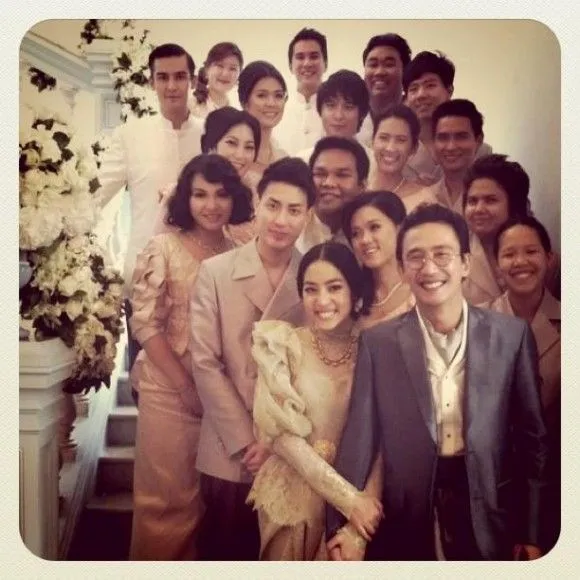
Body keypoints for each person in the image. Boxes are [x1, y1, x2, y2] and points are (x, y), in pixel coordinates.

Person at [326, 203, 548, 561]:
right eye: (415, 257)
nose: (429, 268)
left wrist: (532, 532)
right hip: (407, 512)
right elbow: (361, 436)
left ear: (465, 264)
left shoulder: (511, 336)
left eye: (442, 254)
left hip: (491, 507)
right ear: (402, 268)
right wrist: (341, 524)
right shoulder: (378, 343)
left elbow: (531, 440)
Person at [189, 156, 316, 560]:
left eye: (294, 210)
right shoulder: (215, 272)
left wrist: (275, 441)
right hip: (229, 448)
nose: (281, 220)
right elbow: (205, 363)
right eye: (273, 205)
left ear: (308, 216)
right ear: (258, 204)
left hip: (289, 449)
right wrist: (247, 441)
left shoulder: (315, 277)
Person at [128, 154, 253, 560]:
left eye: (221, 194)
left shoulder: (240, 252)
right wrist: (185, 387)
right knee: (165, 505)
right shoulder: (163, 247)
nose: (211, 205)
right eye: (200, 194)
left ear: (235, 199)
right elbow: (145, 323)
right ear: (185, 198)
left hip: (221, 397)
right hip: (168, 390)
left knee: (211, 508)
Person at [247, 242, 382, 560]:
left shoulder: (375, 347)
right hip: (292, 503)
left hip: (356, 504)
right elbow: (280, 437)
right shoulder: (281, 345)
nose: (322, 301)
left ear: (354, 291)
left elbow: (384, 438)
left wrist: (362, 510)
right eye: (311, 289)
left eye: (334, 288)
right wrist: (348, 499)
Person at [96, 43, 203, 380]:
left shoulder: (210, 134)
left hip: (202, 279)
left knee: (202, 378)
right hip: (146, 279)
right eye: (163, 77)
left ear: (192, 80)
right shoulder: (130, 135)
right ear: (151, 81)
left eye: (180, 77)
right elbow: (96, 194)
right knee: (146, 382)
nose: (172, 86)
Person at [482, 215, 560, 553]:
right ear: (497, 264)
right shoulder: (476, 324)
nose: (520, 262)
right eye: (509, 254)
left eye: (531, 251)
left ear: (549, 258)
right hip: (493, 484)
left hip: (557, 480)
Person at [154, 107, 262, 245]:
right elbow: (159, 247)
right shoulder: (182, 192)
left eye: (249, 147)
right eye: (231, 143)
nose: (240, 155)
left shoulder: (258, 196)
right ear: (211, 144)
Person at [462, 153, 561, 303]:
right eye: (472, 201)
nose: (479, 209)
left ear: (514, 205)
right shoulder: (454, 252)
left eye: (491, 200)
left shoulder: (544, 259)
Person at [403, 51, 492, 185]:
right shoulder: (399, 150)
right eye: (413, 89)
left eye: (430, 85)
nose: (421, 95)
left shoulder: (480, 152)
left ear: (449, 90)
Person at [342, 191, 416, 328]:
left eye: (374, 227)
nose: (365, 240)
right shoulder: (353, 299)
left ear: (399, 228)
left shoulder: (419, 287)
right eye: (356, 234)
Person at [296, 136, 369, 253]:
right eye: (320, 174)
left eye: (342, 175)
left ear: (362, 185)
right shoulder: (292, 230)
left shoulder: (370, 238)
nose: (328, 183)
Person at [367, 105, 438, 212]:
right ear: (373, 140)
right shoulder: (355, 192)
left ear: (413, 148)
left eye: (401, 140)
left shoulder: (424, 201)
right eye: (384, 138)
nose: (390, 148)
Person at [422, 98, 485, 214]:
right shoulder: (424, 198)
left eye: (461, 137)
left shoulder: (496, 195)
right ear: (433, 142)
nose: (451, 147)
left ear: (478, 141)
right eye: (443, 138)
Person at [296, 69, 370, 162]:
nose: (338, 116)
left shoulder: (375, 162)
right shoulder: (303, 161)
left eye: (348, 107)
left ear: (362, 113)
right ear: (320, 110)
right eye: (331, 105)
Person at [273, 28, 326, 154]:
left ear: (325, 63)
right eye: (300, 57)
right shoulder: (277, 112)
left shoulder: (338, 114)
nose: (307, 63)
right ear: (290, 66)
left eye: (314, 56)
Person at [357, 33, 412, 148]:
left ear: (405, 71)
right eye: (373, 65)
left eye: (389, 65)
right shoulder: (348, 123)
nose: (379, 72)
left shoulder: (417, 123)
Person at [238, 61, 289, 176]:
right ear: (244, 102)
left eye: (278, 95)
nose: (271, 103)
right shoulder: (231, 155)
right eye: (261, 95)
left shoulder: (283, 158)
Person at [190, 42, 243, 119]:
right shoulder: (189, 105)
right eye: (220, 66)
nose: (225, 74)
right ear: (207, 69)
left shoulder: (238, 114)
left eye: (232, 68)